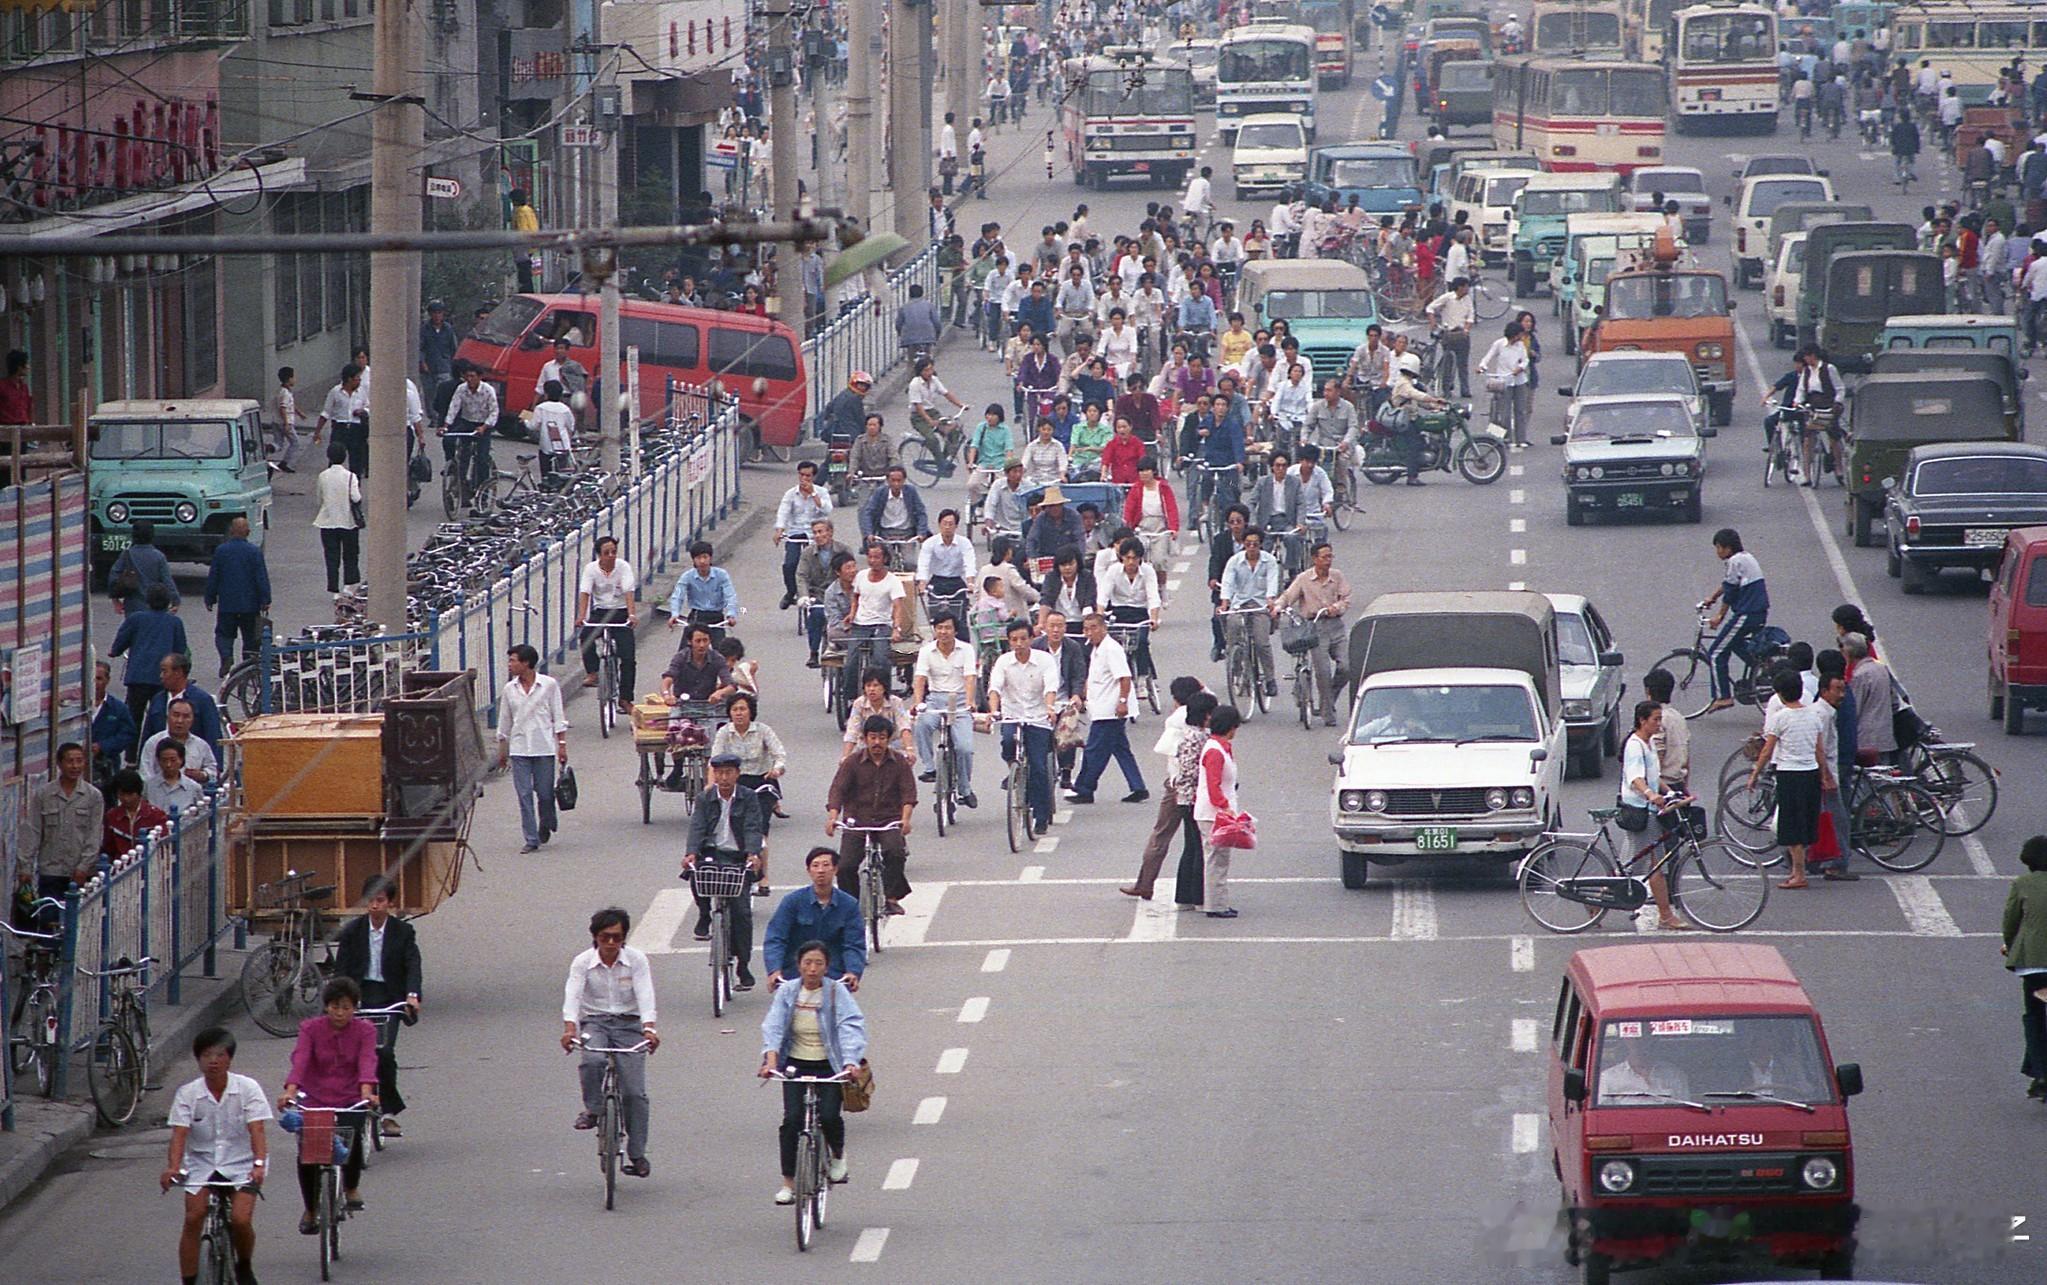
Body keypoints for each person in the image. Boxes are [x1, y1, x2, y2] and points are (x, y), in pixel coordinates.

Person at [759, 940, 868, 1205]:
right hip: (795, 1064)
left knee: (830, 1116)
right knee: (791, 1121)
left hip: (830, 1065)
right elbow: (773, 1025)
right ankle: (788, 1183)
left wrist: (850, 1062)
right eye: (807, 963)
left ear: (827, 967)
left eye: (819, 963)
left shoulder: (836, 992)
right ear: (798, 965)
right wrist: (771, 1060)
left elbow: (850, 1026)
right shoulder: (788, 992)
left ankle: (838, 1157)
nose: (812, 969)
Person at [162, 1026, 269, 1285]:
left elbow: (257, 1129)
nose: (213, 1061)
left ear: (229, 1059)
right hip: (201, 1164)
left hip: (242, 1163)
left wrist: (258, 1164)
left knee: (240, 1219)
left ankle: (244, 1265)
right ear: (198, 1060)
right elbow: (179, 1134)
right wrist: (173, 1167)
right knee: (193, 1217)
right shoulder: (188, 1094)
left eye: (220, 1055)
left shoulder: (247, 1088)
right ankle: (189, 1280)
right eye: (207, 1055)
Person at [560, 907, 659, 1179]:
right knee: (592, 1060)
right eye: (605, 937)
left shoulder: (636, 960)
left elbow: (645, 993)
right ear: (595, 936)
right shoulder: (582, 962)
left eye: (617, 937)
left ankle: (637, 1154)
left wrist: (649, 1028)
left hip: (630, 1024)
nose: (611, 943)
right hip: (595, 1023)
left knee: (634, 1094)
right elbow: (573, 995)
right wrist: (570, 1028)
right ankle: (593, 1109)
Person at [280, 977, 379, 1232]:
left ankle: (351, 1186)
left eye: (346, 1007)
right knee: (308, 1155)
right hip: (315, 1098)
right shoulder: (310, 1029)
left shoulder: (365, 1031)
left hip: (350, 1097)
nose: (340, 1013)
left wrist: (366, 1092)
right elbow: (301, 1060)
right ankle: (311, 1209)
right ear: (326, 1006)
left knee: (351, 1138)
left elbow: (367, 1061)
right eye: (335, 1007)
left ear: (355, 1008)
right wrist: (291, 1091)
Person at [333, 875, 422, 1137]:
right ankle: (347, 1106)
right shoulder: (352, 931)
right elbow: (342, 969)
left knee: (383, 1052)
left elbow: (413, 965)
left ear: (390, 903)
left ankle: (388, 1112)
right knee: (351, 1054)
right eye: (370, 900)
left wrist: (412, 996)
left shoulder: (403, 932)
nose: (374, 905)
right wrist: (340, 999)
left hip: (389, 997)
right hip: (359, 996)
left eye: (380, 900)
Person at [1122, 687, 1215, 903]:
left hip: (1176, 785)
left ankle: (1146, 883)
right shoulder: (1201, 728)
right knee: (1194, 842)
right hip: (1191, 789)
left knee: (1163, 835)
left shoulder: (1179, 720)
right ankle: (1195, 891)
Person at [684, 752, 766, 991]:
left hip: (738, 857)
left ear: (737, 774)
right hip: (712, 853)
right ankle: (704, 914)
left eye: (728, 772)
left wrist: (752, 853)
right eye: (719, 773)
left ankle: (743, 966)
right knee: (696, 874)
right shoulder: (704, 798)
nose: (723, 778)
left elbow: (753, 827)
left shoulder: (749, 797)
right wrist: (691, 853)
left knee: (742, 914)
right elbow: (697, 827)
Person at [1749, 669, 1833, 890]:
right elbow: (1819, 750)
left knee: (1791, 825)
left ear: (1780, 694)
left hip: (1789, 775)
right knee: (1805, 822)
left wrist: (1755, 774)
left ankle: (1799, 873)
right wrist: (1824, 774)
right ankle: (1798, 870)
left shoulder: (1781, 718)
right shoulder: (1814, 716)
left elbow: (1767, 750)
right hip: (1811, 773)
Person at [827, 717, 917, 914]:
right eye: (873, 737)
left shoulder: (899, 762)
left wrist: (905, 819)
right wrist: (833, 817)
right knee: (845, 866)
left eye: (882, 738)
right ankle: (850, 906)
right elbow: (837, 790)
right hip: (857, 822)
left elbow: (908, 794)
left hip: (888, 820)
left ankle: (891, 898)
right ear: (865, 738)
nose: (877, 742)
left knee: (896, 852)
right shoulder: (852, 762)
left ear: (889, 739)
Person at [1619, 701, 1693, 931]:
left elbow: (1653, 775)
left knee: (1647, 864)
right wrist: (1651, 794)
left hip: (1648, 810)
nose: (1659, 724)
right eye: (1655, 719)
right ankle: (1666, 916)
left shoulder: (1648, 742)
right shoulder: (1634, 746)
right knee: (1649, 865)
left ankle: (1665, 915)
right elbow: (1636, 778)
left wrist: (1669, 793)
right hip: (1640, 811)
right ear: (1642, 721)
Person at [1065, 611, 1147, 805]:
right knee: (1121, 749)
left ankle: (1085, 788)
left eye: (1093, 628)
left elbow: (1124, 678)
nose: (1089, 632)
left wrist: (1122, 702)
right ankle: (1138, 787)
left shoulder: (1111, 649)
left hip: (1110, 710)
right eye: (1086, 629)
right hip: (1101, 706)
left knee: (1094, 750)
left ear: (1103, 628)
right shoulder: (1096, 649)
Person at [496, 643, 568, 854]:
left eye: (513, 661)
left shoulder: (548, 685)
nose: (509, 665)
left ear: (526, 663)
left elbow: (558, 716)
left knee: (545, 793)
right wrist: (503, 750)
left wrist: (562, 745)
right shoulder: (509, 689)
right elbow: (505, 721)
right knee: (524, 794)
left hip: (543, 747)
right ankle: (531, 838)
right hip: (519, 749)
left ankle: (546, 821)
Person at [765, 848, 868, 989]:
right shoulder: (792, 901)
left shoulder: (849, 904)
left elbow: (854, 944)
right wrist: (774, 970)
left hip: (833, 976)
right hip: (795, 975)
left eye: (826, 865)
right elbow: (776, 938)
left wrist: (852, 972)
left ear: (835, 869)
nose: (820, 870)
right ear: (808, 870)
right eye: (815, 865)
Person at [18, 743, 102, 915]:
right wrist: (25, 867)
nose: (75, 766)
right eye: (70, 761)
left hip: (80, 873)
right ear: (59, 764)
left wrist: (84, 866)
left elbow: (95, 835)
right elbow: (32, 831)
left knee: (78, 920)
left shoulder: (93, 796)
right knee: (49, 919)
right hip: (51, 871)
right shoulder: (44, 794)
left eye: (79, 761)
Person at [1276, 541, 1351, 726]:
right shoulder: (1304, 579)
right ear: (1314, 559)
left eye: (1330, 556)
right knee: (1323, 671)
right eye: (1324, 557)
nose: (1328, 561)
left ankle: (1329, 698)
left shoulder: (1337, 576)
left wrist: (1337, 607)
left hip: (1336, 626)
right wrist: (1278, 607)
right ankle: (1328, 713)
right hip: (1315, 627)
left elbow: (1346, 598)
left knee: (1346, 667)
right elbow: (1288, 596)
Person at [912, 614, 979, 808]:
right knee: (922, 725)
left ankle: (965, 789)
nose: (943, 632)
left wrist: (970, 701)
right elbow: (920, 679)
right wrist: (918, 703)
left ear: (955, 631)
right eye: (940, 628)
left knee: (964, 748)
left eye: (948, 628)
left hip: (960, 701)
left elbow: (970, 677)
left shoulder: (966, 649)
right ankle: (930, 767)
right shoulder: (926, 651)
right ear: (935, 630)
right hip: (935, 700)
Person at [2000, 836, 2047, 1101]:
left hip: (2035, 964)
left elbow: (2010, 922)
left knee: (2035, 1017)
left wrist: (2010, 946)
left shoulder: (2022, 884)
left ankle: (2040, 1073)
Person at [1701, 528, 1768, 713]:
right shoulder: (1745, 558)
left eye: (1719, 548)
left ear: (1728, 548)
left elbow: (1730, 592)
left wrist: (1719, 616)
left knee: (1716, 652)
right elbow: (1728, 584)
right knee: (1733, 642)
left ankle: (1724, 697)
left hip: (1747, 613)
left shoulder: (1734, 561)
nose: (1717, 552)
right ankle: (1759, 664)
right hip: (1758, 612)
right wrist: (1712, 598)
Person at [109, 585, 186, 730]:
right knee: (159, 717)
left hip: (137, 676)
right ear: (168, 602)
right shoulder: (175, 622)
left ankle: (131, 744)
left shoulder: (136, 618)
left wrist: (114, 651)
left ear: (147, 601)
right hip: (164, 677)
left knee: (133, 717)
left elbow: (121, 642)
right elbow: (180, 650)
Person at [575, 536, 638, 713]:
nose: (611, 556)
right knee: (585, 637)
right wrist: (581, 617)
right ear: (599, 555)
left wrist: (632, 615)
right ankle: (593, 672)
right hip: (601, 612)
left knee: (628, 658)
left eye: (613, 552)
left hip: (620, 612)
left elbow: (629, 592)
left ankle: (625, 699)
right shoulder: (591, 569)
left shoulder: (623, 567)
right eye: (606, 553)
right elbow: (585, 592)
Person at [202, 517, 271, 678]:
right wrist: (265, 599)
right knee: (251, 637)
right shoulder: (254, 552)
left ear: (231, 531)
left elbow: (214, 576)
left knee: (224, 634)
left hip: (228, 604)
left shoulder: (221, 551)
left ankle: (226, 656)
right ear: (248, 532)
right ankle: (248, 665)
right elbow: (261, 577)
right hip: (250, 604)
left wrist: (210, 597)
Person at [1219, 528, 1283, 697]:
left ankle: (1270, 679)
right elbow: (1228, 582)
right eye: (1248, 544)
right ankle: (1235, 668)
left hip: (1260, 605)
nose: (1252, 547)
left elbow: (1272, 582)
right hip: (1240, 604)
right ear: (1243, 544)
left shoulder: (1269, 561)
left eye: (1255, 544)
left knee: (1262, 642)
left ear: (1260, 544)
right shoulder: (1235, 561)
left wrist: (1270, 599)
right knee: (1232, 632)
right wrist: (1225, 603)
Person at [1194, 704, 1244, 918]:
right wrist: (1225, 807)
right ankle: (1216, 904)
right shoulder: (1215, 751)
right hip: (1214, 814)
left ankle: (1217, 901)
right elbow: (1213, 787)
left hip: (1215, 813)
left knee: (1218, 858)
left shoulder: (1219, 747)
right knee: (1217, 859)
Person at [139, 652, 223, 751]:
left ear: (178, 673)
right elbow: (148, 734)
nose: (161, 676)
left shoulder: (202, 700)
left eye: (164, 671)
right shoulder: (158, 699)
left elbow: (213, 736)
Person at [312, 442, 362, 600]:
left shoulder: (323, 476)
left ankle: (334, 589)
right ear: (344, 457)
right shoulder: (350, 476)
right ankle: (348, 585)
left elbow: (319, 498)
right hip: (348, 521)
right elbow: (356, 497)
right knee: (350, 554)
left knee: (331, 556)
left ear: (329, 456)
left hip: (327, 521)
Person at [1477, 320, 1533, 449]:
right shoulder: (1499, 344)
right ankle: (1507, 438)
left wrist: (1520, 368)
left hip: (1519, 381)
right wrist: (1482, 367)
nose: (1520, 337)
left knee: (1520, 411)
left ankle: (1521, 439)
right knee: (1504, 412)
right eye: (1519, 334)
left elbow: (1525, 360)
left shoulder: (1520, 345)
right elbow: (1487, 357)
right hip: (1504, 382)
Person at [140, 697, 220, 786]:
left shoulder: (201, 745)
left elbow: (213, 771)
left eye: (186, 716)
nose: (180, 721)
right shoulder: (153, 743)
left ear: (193, 719)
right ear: (167, 716)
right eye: (176, 715)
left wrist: (202, 775)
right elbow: (145, 774)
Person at [108, 519, 179, 618]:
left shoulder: (127, 554)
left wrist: (115, 600)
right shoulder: (159, 556)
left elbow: (113, 575)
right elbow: (167, 581)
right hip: (155, 605)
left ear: (133, 535)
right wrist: (176, 601)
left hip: (132, 605)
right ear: (152, 535)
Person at [840, 670, 914, 761]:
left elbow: (904, 727)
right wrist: (845, 756)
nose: (871, 689)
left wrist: (909, 750)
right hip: (866, 748)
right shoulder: (859, 704)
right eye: (868, 686)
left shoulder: (896, 702)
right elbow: (852, 731)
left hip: (892, 746)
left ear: (884, 688)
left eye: (875, 685)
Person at [1424, 278, 1476, 399]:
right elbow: (1430, 308)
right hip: (1448, 333)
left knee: (1463, 364)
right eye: (1466, 286)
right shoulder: (1447, 298)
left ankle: (1465, 389)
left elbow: (1470, 316)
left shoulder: (1468, 300)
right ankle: (1446, 388)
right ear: (1460, 287)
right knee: (1447, 362)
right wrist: (1433, 322)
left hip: (1462, 333)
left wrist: (1466, 330)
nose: (1467, 289)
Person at [1642, 668, 1689, 793]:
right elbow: (1686, 754)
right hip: (1679, 781)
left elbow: (1658, 754)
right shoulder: (1678, 717)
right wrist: (1685, 785)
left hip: (1662, 785)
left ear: (1648, 691)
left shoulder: (1656, 719)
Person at [146, 740, 206, 815]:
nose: (168, 765)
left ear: (181, 760)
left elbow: (203, 815)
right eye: (164, 760)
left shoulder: (193, 787)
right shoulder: (148, 786)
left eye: (173, 760)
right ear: (158, 760)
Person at [823, 373, 872, 446]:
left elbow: (828, 408)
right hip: (851, 435)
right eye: (860, 385)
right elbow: (860, 418)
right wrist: (866, 430)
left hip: (833, 433)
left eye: (864, 386)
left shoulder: (842, 394)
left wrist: (827, 420)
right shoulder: (856, 399)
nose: (862, 388)